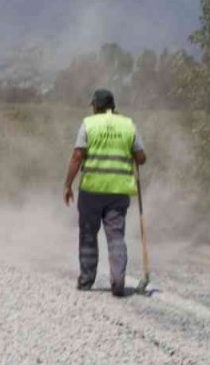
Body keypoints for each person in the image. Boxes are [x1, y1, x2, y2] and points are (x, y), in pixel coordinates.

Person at [63, 89, 147, 297]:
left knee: (89, 235)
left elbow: (77, 156)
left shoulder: (89, 124)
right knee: (116, 236)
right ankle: (118, 280)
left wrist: (67, 185)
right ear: (112, 106)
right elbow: (141, 157)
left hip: (91, 189)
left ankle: (86, 280)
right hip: (118, 191)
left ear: (95, 106)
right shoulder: (128, 125)